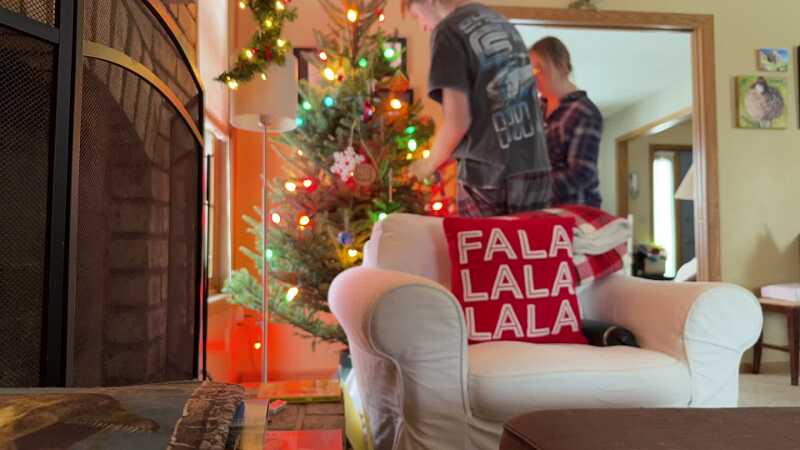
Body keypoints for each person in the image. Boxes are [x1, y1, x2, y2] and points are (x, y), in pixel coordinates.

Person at [404, 0, 552, 217]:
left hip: (488, 175)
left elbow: (458, 122)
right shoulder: (501, 22)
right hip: (535, 167)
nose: (423, 26)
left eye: (417, 16)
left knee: (484, 240)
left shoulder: (448, 30)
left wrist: (427, 164)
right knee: (532, 239)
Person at [530, 36, 603, 208]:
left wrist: (533, 189)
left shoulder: (584, 112)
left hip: (575, 212)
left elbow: (582, 172)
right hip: (544, 211)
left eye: (539, 69)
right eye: (531, 71)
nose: (534, 77)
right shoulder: (536, 111)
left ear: (561, 66)